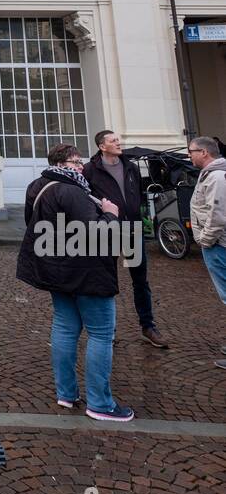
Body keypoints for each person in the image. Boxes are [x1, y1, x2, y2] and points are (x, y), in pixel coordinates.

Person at [18, 141, 132, 421]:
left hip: (56, 270)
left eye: (80, 162)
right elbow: (98, 233)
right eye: (75, 162)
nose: (81, 167)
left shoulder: (37, 186)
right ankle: (100, 404)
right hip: (87, 271)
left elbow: (31, 223)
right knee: (101, 334)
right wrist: (110, 214)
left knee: (65, 328)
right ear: (61, 164)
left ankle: (66, 394)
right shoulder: (73, 192)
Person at [84, 130, 168, 348]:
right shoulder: (90, 170)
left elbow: (137, 192)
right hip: (107, 231)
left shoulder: (130, 165)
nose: (118, 143)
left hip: (132, 229)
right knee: (106, 281)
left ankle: (148, 326)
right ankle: (108, 330)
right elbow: (87, 198)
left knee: (140, 280)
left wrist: (139, 214)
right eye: (113, 140)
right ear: (102, 146)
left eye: (118, 139)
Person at [188, 135, 226, 370]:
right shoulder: (213, 174)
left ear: (204, 152)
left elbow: (218, 213)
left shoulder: (217, 176)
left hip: (219, 244)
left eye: (191, 151)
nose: (189, 155)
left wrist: (205, 239)